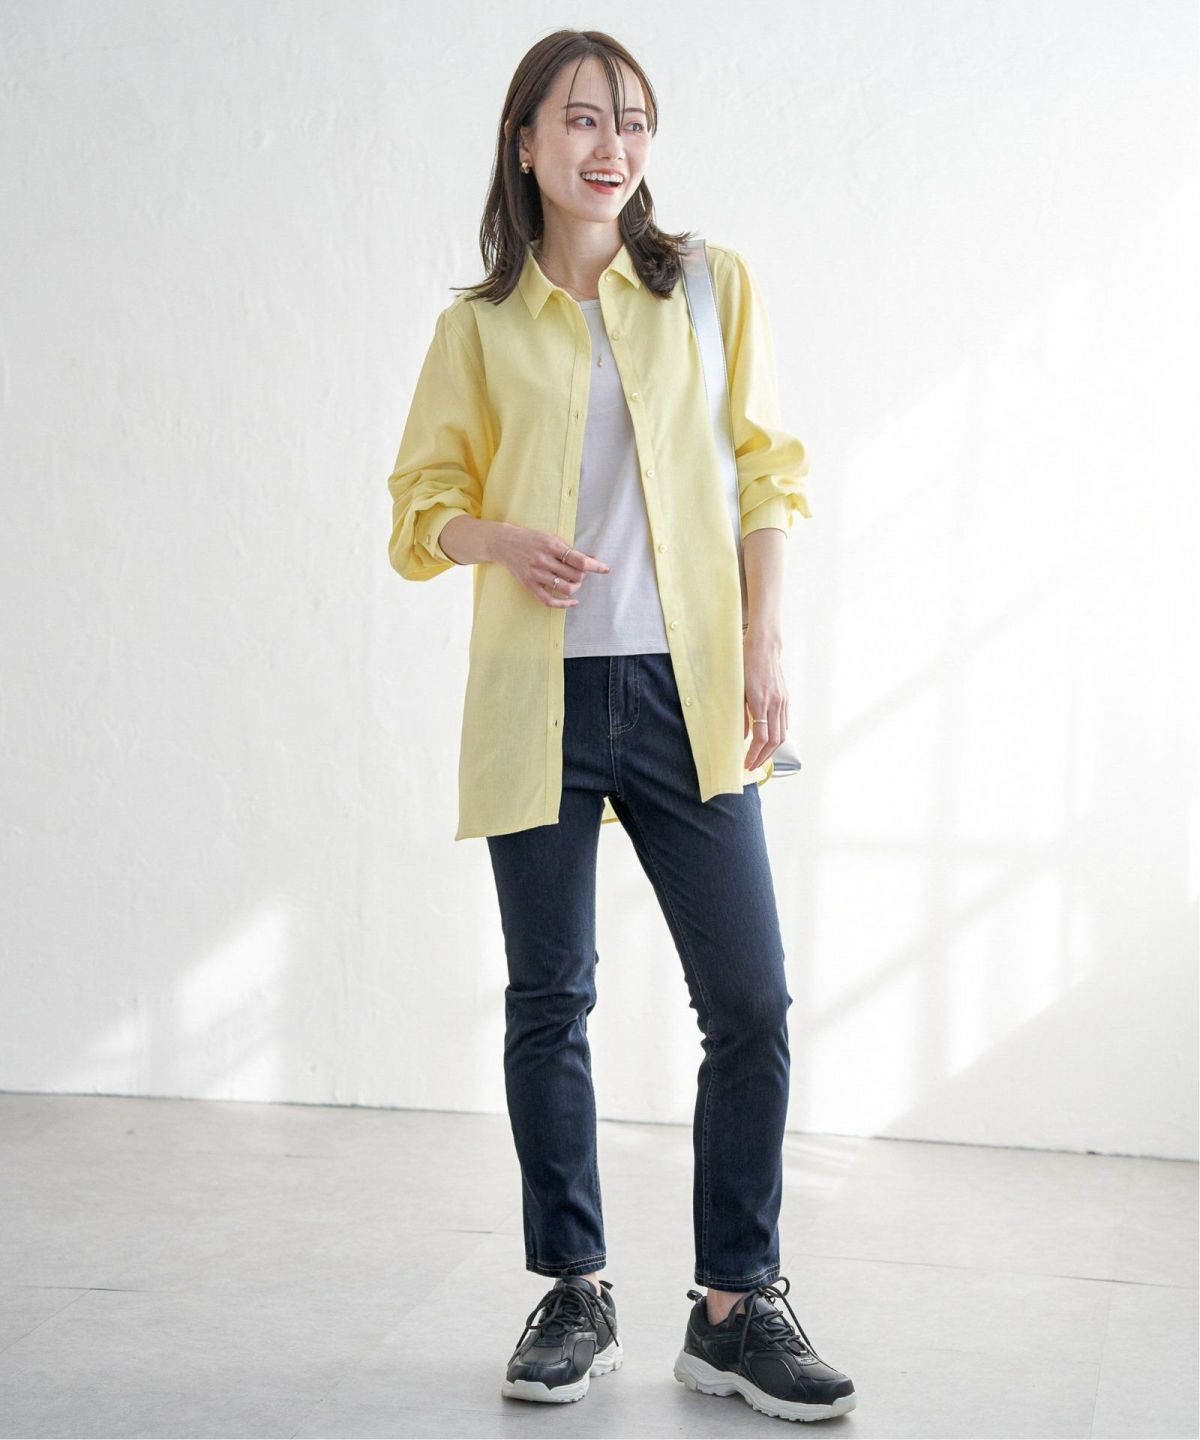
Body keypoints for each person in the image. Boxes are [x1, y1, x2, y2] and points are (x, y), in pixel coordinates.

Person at [386, 28, 857, 1425]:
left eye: (635, 122)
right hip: (538, 697)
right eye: (584, 119)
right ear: (526, 141)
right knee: (552, 1001)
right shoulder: (477, 330)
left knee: (751, 1003)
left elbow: (769, 473)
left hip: (687, 690)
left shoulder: (710, 287)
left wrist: (766, 638)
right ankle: (574, 1289)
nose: (613, 147)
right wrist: (495, 537)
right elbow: (416, 511)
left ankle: (735, 1307)